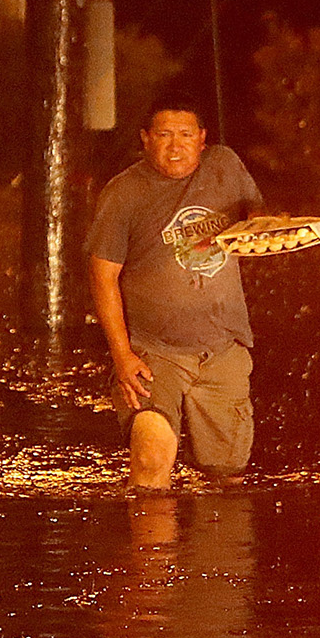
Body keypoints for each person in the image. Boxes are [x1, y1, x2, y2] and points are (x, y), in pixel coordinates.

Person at [87, 94, 264, 491]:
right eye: (164, 135)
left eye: (185, 134)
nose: (175, 145)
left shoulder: (225, 166)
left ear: (202, 139)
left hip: (223, 348)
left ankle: (215, 551)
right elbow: (102, 276)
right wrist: (121, 355)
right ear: (146, 139)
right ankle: (151, 552)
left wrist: (262, 226)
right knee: (151, 454)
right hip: (155, 351)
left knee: (227, 474)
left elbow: (256, 212)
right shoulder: (124, 193)